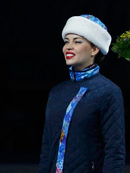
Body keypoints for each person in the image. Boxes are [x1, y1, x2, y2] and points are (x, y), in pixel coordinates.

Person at [39, 14, 125, 173]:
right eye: (66, 41)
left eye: (77, 41)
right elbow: (46, 149)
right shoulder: (57, 92)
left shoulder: (108, 92)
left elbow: (115, 151)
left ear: (95, 48)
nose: (68, 47)